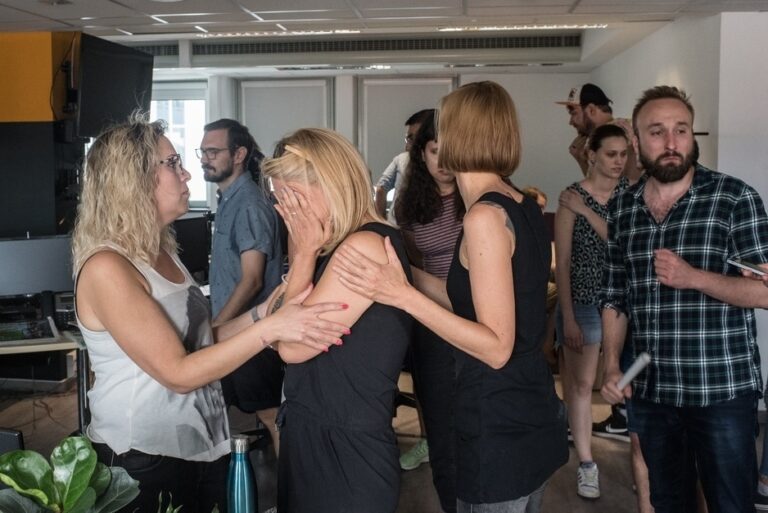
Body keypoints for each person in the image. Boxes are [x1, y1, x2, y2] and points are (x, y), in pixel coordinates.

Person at [72, 116, 349, 512]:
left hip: (199, 443)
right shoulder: (107, 268)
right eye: (172, 163)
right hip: (142, 456)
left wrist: (262, 314)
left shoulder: (161, 252)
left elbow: (199, 342)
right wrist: (272, 327)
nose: (187, 173)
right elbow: (178, 373)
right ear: (131, 180)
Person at [334, 81, 568, 512]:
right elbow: (469, 298)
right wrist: (403, 277)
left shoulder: (484, 217)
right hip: (526, 407)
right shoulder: (518, 202)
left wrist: (402, 296)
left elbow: (495, 347)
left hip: (499, 420)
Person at [600, 85, 768, 513]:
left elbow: (765, 293)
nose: (672, 142)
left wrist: (694, 278)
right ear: (636, 141)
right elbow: (615, 295)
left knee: (731, 504)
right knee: (668, 501)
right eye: (657, 132)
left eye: (681, 130)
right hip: (653, 392)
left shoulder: (734, 198)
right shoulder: (623, 207)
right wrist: (612, 364)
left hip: (721, 390)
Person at [259, 128, 415, 513]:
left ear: (332, 184)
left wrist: (303, 253)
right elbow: (272, 319)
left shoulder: (363, 247)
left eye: (294, 198)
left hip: (345, 450)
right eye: (281, 200)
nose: (288, 212)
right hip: (315, 431)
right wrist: (305, 252)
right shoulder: (336, 245)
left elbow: (289, 345)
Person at [199, 118, 285, 453]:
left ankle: (290, 485)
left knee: (271, 416)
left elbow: (252, 280)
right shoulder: (229, 200)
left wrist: (216, 329)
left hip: (250, 334)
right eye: (203, 152)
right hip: (234, 330)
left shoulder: (248, 203)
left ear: (239, 155)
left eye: (213, 152)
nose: (205, 159)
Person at [393, 111, 463, 512]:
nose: (444, 162)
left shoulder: (477, 196)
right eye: (436, 151)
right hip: (431, 317)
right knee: (439, 418)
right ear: (422, 153)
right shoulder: (411, 201)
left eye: (451, 151)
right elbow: (411, 264)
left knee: (472, 418)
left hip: (473, 313)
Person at [554, 124, 629, 500]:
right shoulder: (571, 196)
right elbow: (564, 262)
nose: (619, 161)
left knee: (627, 384)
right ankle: (587, 464)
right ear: (592, 155)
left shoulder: (631, 195)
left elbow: (624, 245)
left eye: (624, 154)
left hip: (624, 302)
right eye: (611, 154)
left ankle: (643, 465)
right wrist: (567, 315)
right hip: (583, 302)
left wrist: (586, 210)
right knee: (582, 386)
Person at [556, 83, 642, 183]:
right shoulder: (625, 126)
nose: (571, 122)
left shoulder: (609, 135)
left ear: (591, 110)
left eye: (574, 113)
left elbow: (604, 188)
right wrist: (581, 159)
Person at [374, 109, 434, 223]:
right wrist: (381, 222)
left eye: (413, 139)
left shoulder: (443, 170)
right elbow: (381, 188)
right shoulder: (402, 159)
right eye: (408, 139)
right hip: (397, 227)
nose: (407, 147)